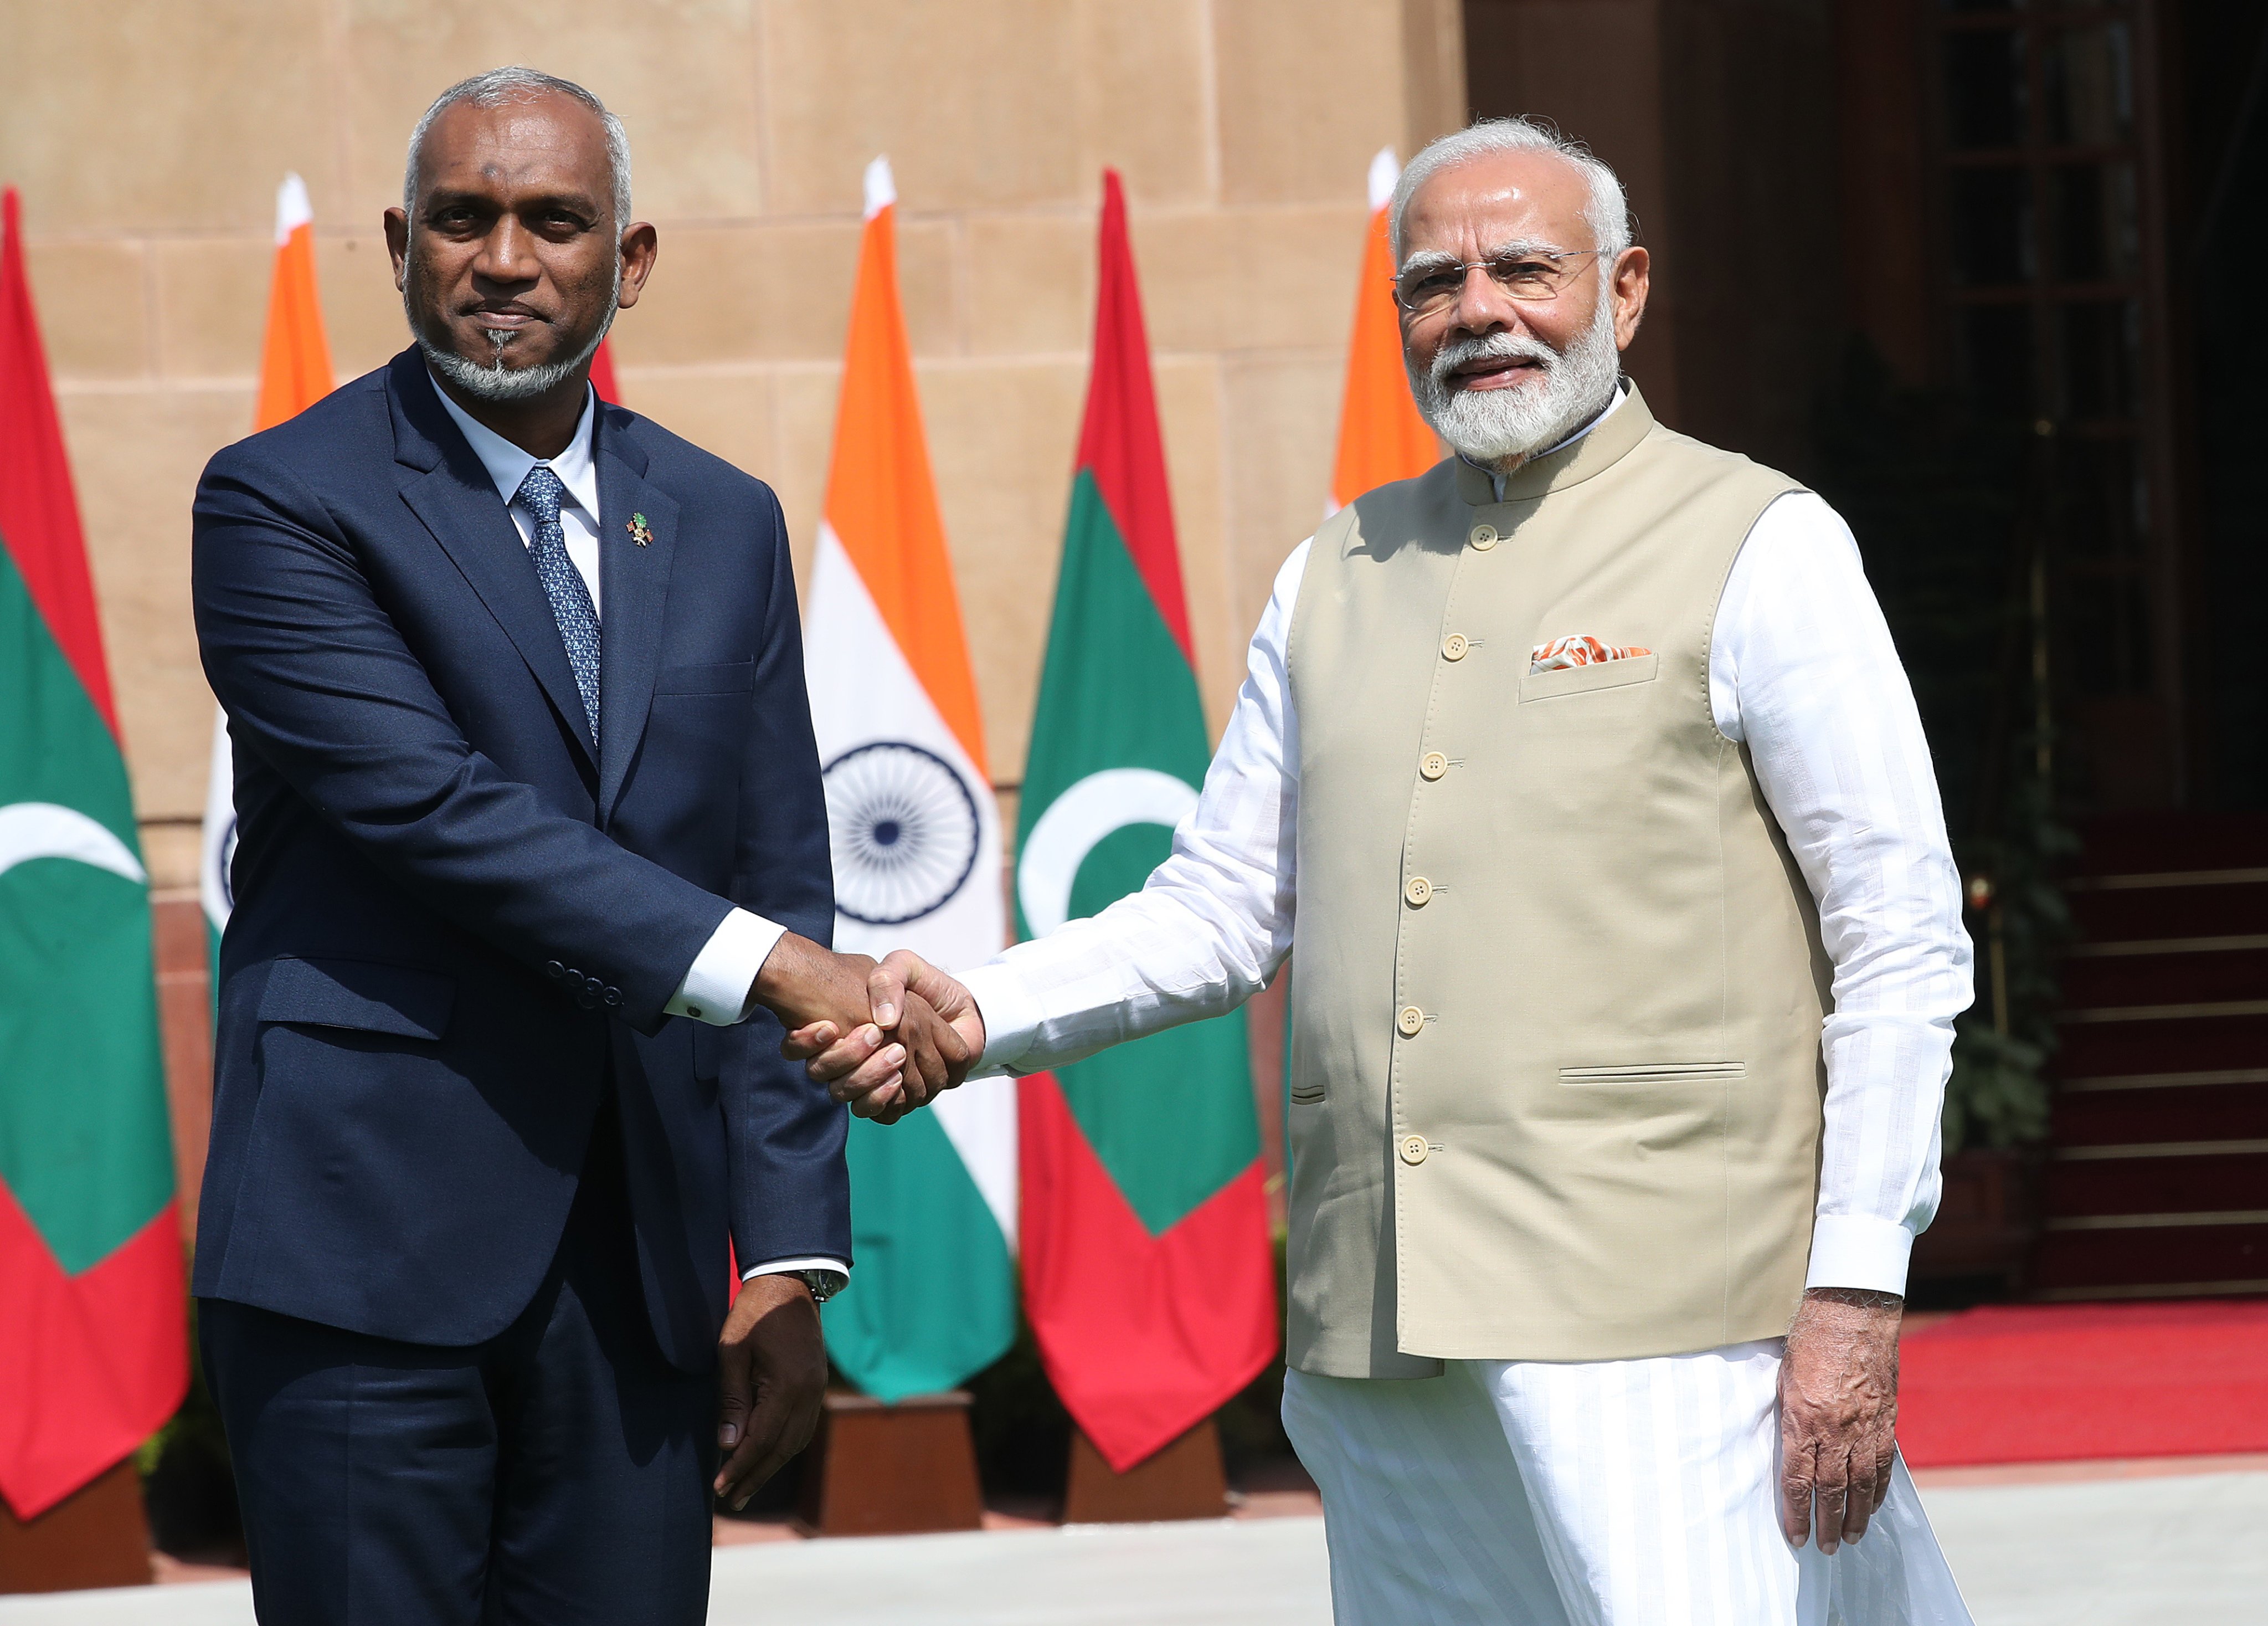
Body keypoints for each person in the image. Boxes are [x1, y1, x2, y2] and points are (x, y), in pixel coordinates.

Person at [802, 118, 1976, 1624]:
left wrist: (1859, 1291)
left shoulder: (1764, 543)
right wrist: (975, 1011)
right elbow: (1220, 908)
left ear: (1623, 294)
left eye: (1524, 270)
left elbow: (1900, 941)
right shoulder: (1330, 573)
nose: (1477, 309)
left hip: (1670, 1326)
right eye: (1434, 283)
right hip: (1381, 1330)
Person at [191, 67, 961, 1625]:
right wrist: (791, 975)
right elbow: (441, 816)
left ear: (633, 257)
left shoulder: (724, 517)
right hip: (364, 1263)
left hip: (642, 1272)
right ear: (403, 243)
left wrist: (793, 1255)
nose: (506, 260)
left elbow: (773, 864)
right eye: (463, 221)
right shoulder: (283, 503)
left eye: (556, 221)